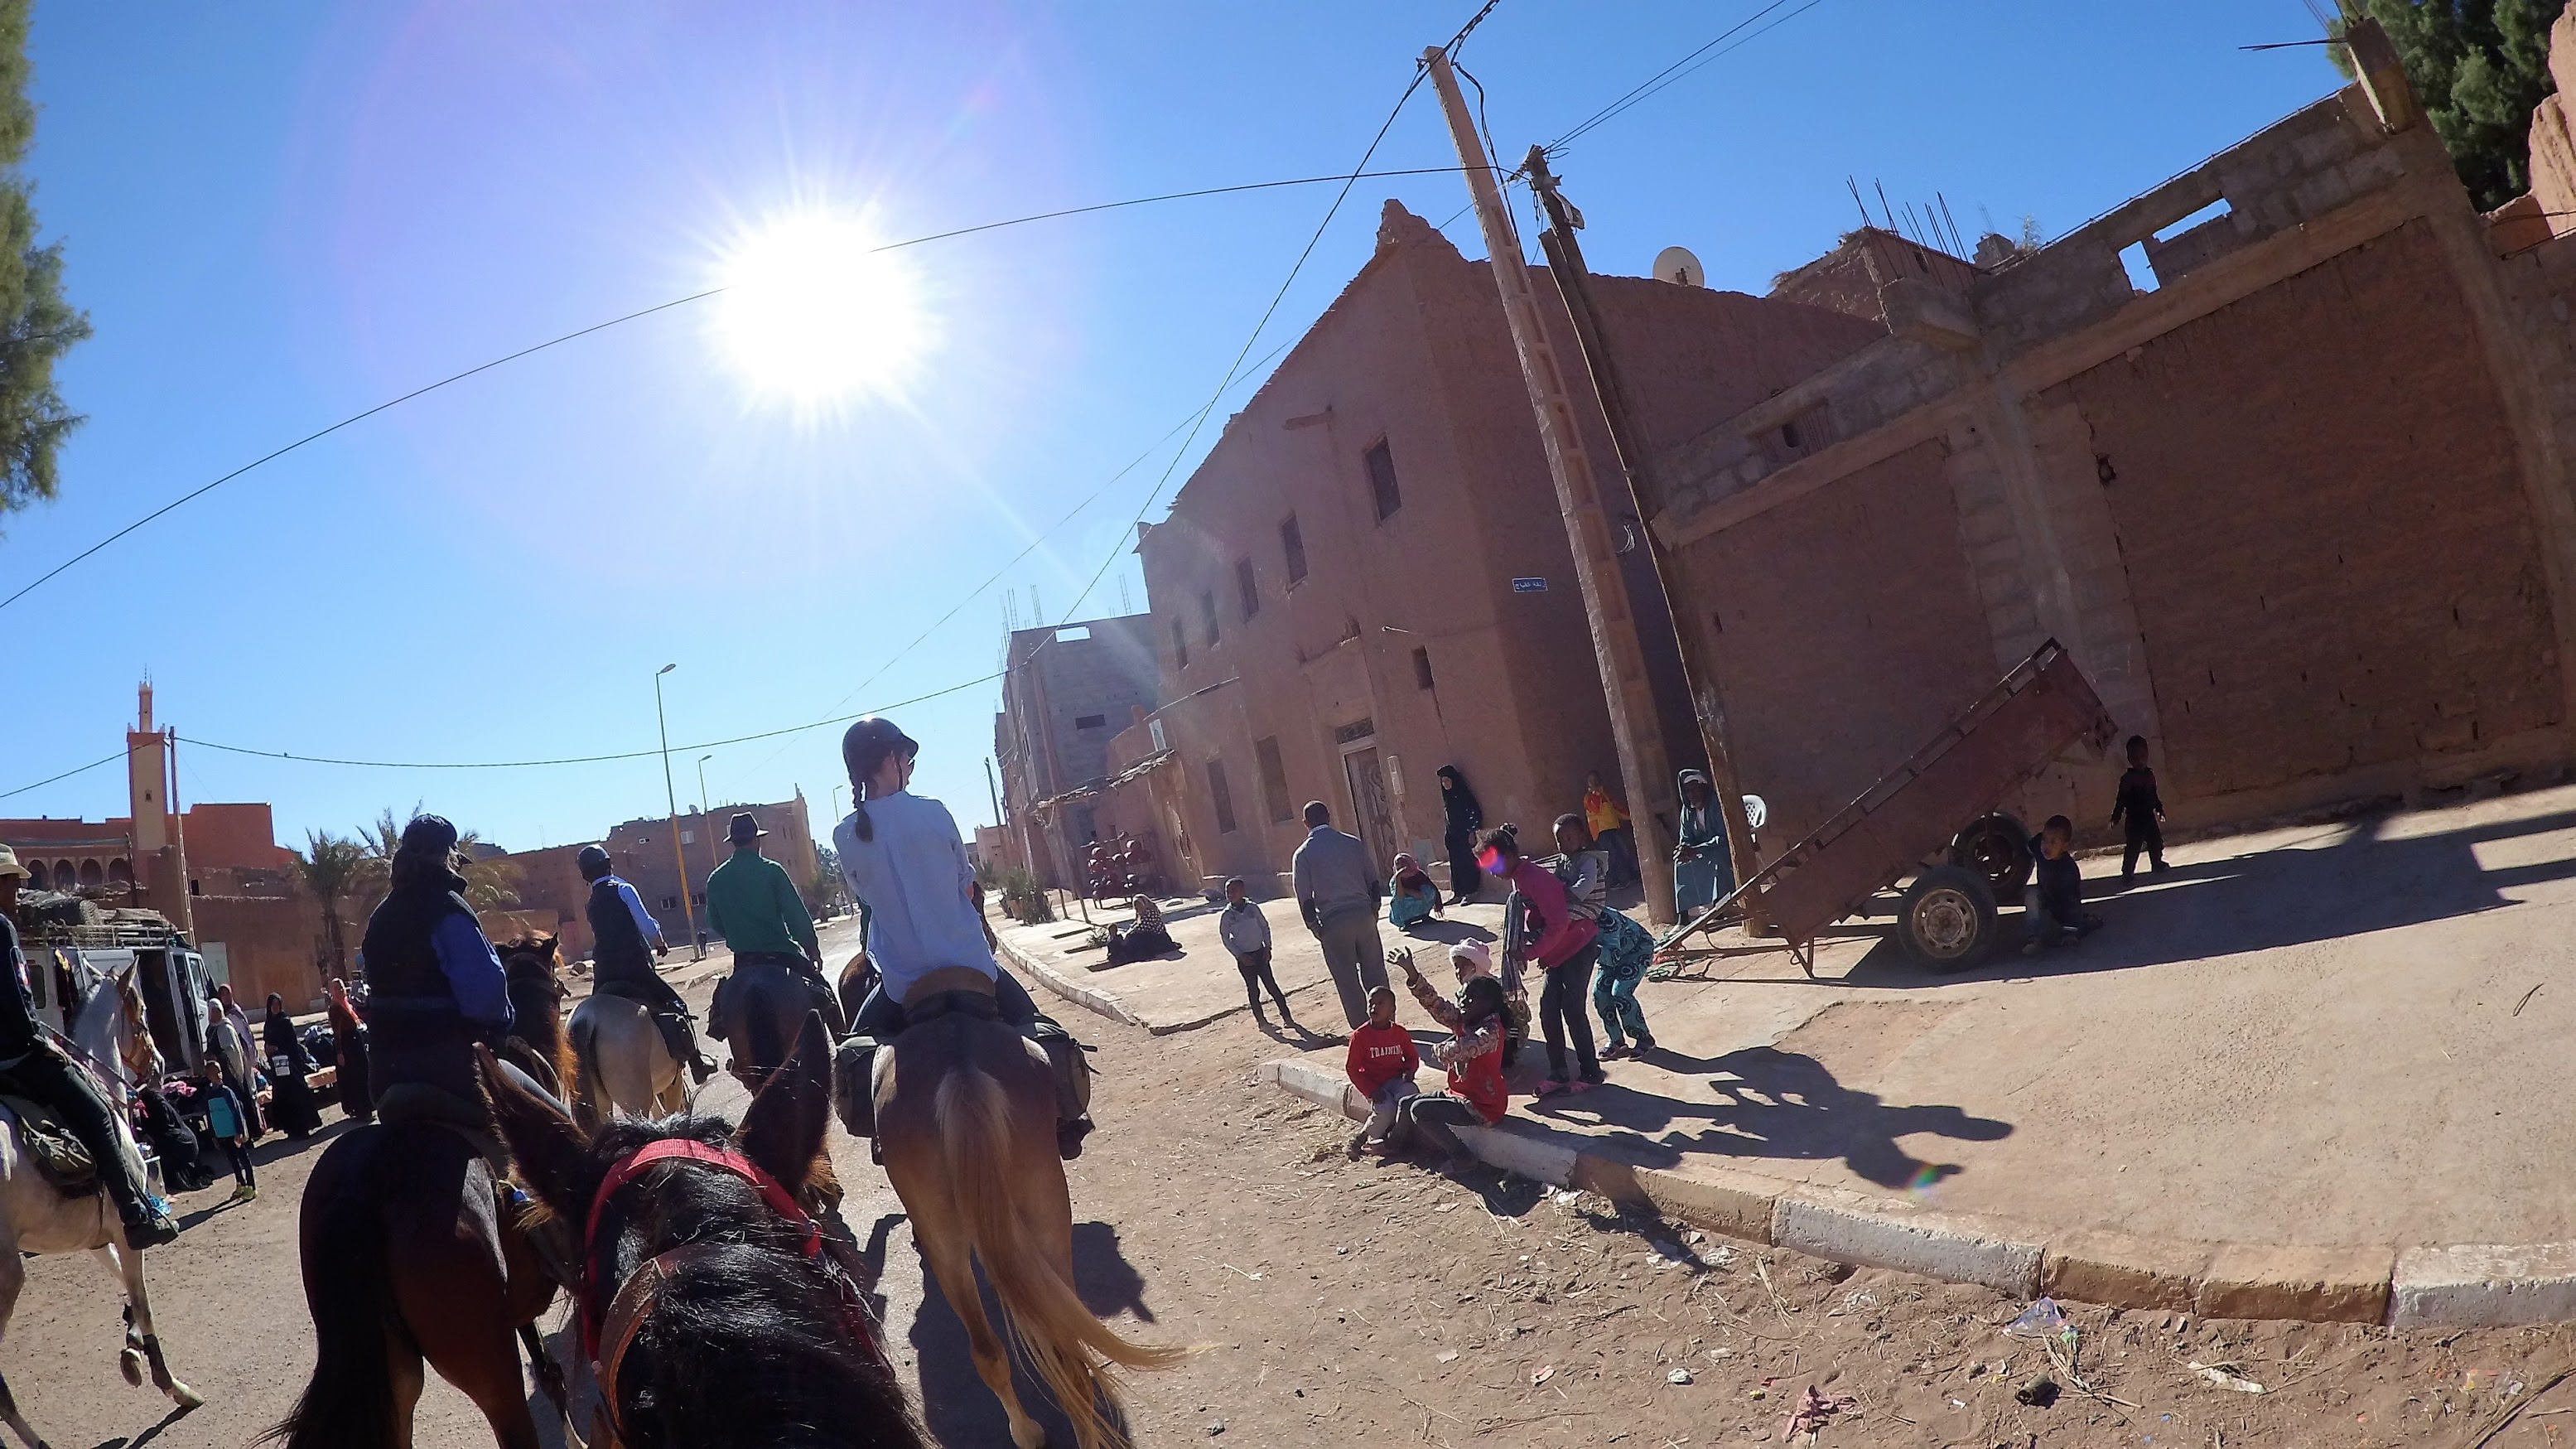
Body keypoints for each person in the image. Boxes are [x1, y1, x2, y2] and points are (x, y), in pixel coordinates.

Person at [835, 717, 1096, 1158]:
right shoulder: (934, 813)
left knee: (853, 1055)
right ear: (891, 760)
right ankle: (1068, 1119)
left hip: (901, 983)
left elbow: (866, 897)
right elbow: (966, 885)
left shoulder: (845, 836)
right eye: (907, 758)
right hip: (971, 966)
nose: (910, 767)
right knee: (1039, 1026)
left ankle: (879, 1134)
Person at [0, 847, 179, 1245]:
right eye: (10, 883)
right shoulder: (2, 929)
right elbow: (16, 997)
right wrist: (40, 1041)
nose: (16, 892)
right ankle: (134, 1215)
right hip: (18, 1057)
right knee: (98, 1112)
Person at [356, 815, 517, 1118]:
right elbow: (486, 996)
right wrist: (505, 1021)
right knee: (551, 1117)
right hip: (451, 1070)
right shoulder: (448, 907)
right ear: (449, 856)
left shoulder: (381, 914)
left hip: (384, 1076)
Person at [578, 843, 717, 1084]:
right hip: (633, 967)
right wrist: (660, 943)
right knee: (677, 1005)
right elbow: (647, 926)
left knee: (592, 1014)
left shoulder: (590, 903)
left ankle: (590, 1077)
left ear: (585, 876)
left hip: (604, 973)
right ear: (609, 865)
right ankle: (697, 1063)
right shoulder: (624, 889)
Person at [1485, 827, 1602, 1097]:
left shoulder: (1534, 878)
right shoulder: (1519, 878)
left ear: (1510, 856)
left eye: (1494, 863)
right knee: (1548, 1012)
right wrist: (1540, 952)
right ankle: (1559, 1073)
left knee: (1572, 1009)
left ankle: (1591, 1072)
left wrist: (1531, 952)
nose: (1491, 871)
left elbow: (1558, 923)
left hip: (1577, 945)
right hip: (1557, 952)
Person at [704, 811, 838, 1031]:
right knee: (825, 996)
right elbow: (796, 916)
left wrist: (738, 934)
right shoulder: (772, 871)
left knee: (724, 1008)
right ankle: (842, 1042)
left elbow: (714, 921)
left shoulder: (716, 879)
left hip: (743, 960)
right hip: (782, 955)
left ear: (733, 843)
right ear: (756, 840)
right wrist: (811, 948)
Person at [1390, 946, 1511, 1161]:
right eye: (1462, 997)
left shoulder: (1491, 1030)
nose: (1463, 1003)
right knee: (1406, 1103)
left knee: (1419, 1110)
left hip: (1481, 1106)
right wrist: (1412, 972)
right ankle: (1394, 1144)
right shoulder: (1466, 1019)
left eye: (1471, 999)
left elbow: (1464, 1048)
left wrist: (1440, 1049)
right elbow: (1435, 1004)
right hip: (1458, 1094)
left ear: (1489, 1005)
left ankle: (1463, 1158)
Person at [1290, 800, 1389, 1031]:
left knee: (1347, 980)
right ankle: (1386, 1022)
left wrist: (1314, 926)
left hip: (1333, 921)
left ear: (1305, 823)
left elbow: (1305, 898)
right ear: (1329, 816)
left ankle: (1363, 1030)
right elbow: (1373, 881)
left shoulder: (1303, 854)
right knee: (1375, 970)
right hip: (1363, 915)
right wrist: (1374, 910)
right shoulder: (1352, 843)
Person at [1343, 986, 1419, 1157]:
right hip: (1376, 1085)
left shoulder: (1400, 1033)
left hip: (1397, 1081)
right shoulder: (1360, 1036)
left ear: (1392, 1009)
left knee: (1409, 1097)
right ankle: (1360, 1140)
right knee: (1385, 1109)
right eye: (1371, 1003)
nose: (1374, 1007)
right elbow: (1352, 1069)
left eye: (1380, 1003)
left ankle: (1398, 1138)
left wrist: (1410, 1071)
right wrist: (1371, 1090)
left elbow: (1412, 1058)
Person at [1217, 878, 1295, 1026]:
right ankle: (1261, 1021)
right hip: (1245, 959)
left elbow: (1264, 927)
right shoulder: (1227, 915)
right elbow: (1225, 938)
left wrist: (1268, 947)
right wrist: (1240, 955)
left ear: (1243, 891)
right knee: (1253, 990)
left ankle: (1287, 1017)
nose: (1230, 894)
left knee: (1272, 986)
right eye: (1228, 891)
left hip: (1260, 954)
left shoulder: (1252, 909)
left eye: (1234, 891)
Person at [2022, 814, 2101, 954]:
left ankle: (2089, 922)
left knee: (2074, 928)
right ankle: (2034, 939)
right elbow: (2027, 848)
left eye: (2053, 843)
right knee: (2032, 895)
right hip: (2047, 901)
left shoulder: (2068, 871)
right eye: (2045, 840)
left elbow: (2072, 902)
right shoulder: (2039, 847)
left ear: (2065, 846)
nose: (2047, 846)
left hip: (2065, 906)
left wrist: (2069, 933)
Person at [202, 989, 263, 1142]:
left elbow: (233, 1052)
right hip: (217, 1072)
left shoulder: (226, 1028)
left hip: (231, 1072)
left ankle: (245, 1135)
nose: (214, 1014)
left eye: (217, 1011)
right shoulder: (211, 1029)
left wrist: (218, 1056)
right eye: (212, 1011)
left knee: (237, 1103)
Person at [260, 992, 322, 1137]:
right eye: (273, 1005)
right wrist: (268, 1049)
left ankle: (303, 1129)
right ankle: (290, 1129)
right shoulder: (269, 1024)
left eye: (277, 1005)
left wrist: (277, 1048)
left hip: (290, 1066)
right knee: (283, 1098)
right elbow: (266, 1041)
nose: (275, 1008)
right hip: (277, 1068)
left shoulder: (285, 1022)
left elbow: (292, 1044)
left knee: (297, 1096)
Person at [1672, 769, 1733, 918]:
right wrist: (1684, 850)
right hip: (1702, 850)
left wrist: (1698, 849)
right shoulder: (1687, 811)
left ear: (1704, 788)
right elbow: (1686, 837)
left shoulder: (1717, 804)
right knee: (1681, 864)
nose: (1692, 795)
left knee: (1717, 860)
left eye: (1695, 789)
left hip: (1723, 848)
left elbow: (1724, 837)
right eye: (1688, 791)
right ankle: (1685, 916)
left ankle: (1720, 908)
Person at [2110, 735, 2168, 884]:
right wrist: (2116, 816)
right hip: (2134, 820)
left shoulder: (2150, 776)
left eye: (2143, 756)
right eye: (2135, 757)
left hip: (2149, 817)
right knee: (2133, 847)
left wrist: (2159, 810)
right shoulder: (2127, 779)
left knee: (2156, 842)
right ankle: (2127, 872)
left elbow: (2154, 795)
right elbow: (2121, 799)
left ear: (2147, 755)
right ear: (2129, 758)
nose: (2140, 760)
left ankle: (2157, 863)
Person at [198, 1067, 255, 1201]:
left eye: (219, 1071)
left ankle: (251, 1186)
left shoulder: (227, 1092)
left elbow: (237, 1112)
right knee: (233, 1161)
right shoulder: (209, 1095)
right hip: (222, 1134)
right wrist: (213, 1136)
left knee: (244, 1160)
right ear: (208, 1076)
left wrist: (240, 1131)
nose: (219, 1075)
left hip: (234, 1133)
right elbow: (210, 1117)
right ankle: (241, 1183)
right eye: (214, 1073)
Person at [324, 977, 371, 1123]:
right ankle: (360, 1109)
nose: (340, 990)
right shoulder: (335, 1008)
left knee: (363, 1073)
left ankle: (367, 1106)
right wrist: (340, 1053)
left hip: (355, 1042)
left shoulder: (347, 1004)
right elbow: (337, 1032)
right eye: (336, 988)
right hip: (347, 1045)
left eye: (341, 987)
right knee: (354, 1077)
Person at [1583, 770, 1641, 888]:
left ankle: (1630, 876)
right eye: (1591, 781)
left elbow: (1615, 809)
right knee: (1611, 855)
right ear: (1588, 783)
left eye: (1596, 779)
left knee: (1623, 851)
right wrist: (1597, 792)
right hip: (1601, 832)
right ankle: (1614, 882)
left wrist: (1632, 816)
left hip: (1612, 828)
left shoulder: (1604, 794)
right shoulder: (1588, 798)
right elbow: (1596, 808)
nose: (1594, 782)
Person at [1435, 766, 1484, 903]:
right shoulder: (1448, 798)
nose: (1446, 784)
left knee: (1468, 863)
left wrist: (1472, 831)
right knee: (1456, 865)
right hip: (1453, 837)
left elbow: (1475, 813)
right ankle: (1458, 892)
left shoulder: (1463, 796)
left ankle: (1470, 892)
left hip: (1465, 836)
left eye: (1448, 780)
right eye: (1443, 782)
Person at [1387, 852, 1443, 930]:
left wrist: (1405, 890)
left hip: (1419, 901)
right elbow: (1400, 896)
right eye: (1398, 863)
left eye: (1404, 862)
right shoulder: (1394, 880)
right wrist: (1398, 877)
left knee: (1430, 893)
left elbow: (1423, 894)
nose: (1401, 866)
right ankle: (1405, 921)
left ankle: (1423, 915)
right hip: (1405, 905)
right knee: (1396, 902)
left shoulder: (1419, 875)